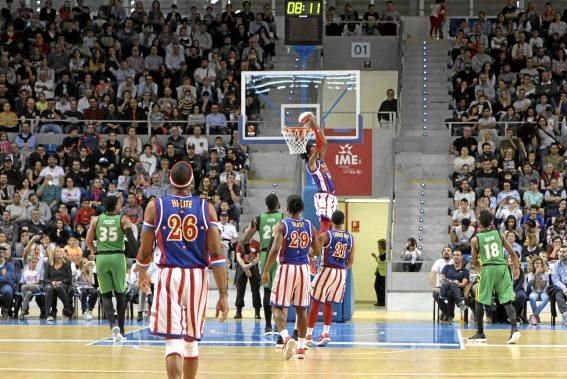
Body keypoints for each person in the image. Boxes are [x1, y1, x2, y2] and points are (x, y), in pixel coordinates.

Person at [136, 161, 229, 379]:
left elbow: (145, 251)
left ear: (170, 180)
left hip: (169, 275)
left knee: (173, 341)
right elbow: (217, 256)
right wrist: (223, 294)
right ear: (192, 181)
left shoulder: (154, 206)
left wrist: (142, 273)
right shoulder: (207, 208)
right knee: (191, 342)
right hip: (197, 276)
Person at [261, 195, 321, 360]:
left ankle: (286, 338)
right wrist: (305, 252)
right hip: (304, 269)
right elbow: (317, 252)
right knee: (302, 309)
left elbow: (274, 250)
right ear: (301, 209)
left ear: (287, 209)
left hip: (287, 268)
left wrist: (266, 271)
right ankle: (301, 348)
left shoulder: (283, 224)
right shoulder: (309, 226)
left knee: (277, 306)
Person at [86, 195, 138, 342]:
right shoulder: (123, 219)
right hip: (117, 257)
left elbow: (88, 241)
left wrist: (96, 252)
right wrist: (138, 255)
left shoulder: (96, 220)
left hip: (101, 258)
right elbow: (132, 241)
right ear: (116, 206)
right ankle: (121, 330)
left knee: (106, 294)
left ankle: (113, 325)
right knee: (121, 294)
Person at [468, 209, 521, 344]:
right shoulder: (500, 234)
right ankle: (514, 329)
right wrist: (516, 268)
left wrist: (481, 271)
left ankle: (480, 333)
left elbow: (474, 262)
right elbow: (513, 254)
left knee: (479, 300)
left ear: (479, 223)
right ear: (491, 222)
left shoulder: (475, 239)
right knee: (507, 301)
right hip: (503, 268)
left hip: (488, 268)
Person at [306, 210, 355, 347]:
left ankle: (309, 335)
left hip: (327, 269)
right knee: (329, 303)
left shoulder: (326, 234)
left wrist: (309, 256)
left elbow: (314, 251)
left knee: (315, 302)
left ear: (331, 221)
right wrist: (343, 270)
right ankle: (326, 333)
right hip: (341, 273)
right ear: (343, 221)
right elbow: (351, 260)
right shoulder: (350, 237)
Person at [241, 193, 285, 333]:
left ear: (266, 205)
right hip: (279, 255)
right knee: (279, 292)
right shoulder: (283, 218)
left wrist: (248, 253)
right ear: (278, 204)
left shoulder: (258, 219)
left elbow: (245, 239)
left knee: (266, 290)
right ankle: (280, 328)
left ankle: (268, 325)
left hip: (265, 254)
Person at [300, 114, 336, 234]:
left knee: (330, 227)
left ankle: (322, 249)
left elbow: (324, 143)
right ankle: (312, 250)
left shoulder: (320, 159)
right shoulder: (311, 162)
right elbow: (320, 144)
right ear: (308, 152)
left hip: (330, 195)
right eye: (312, 147)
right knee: (325, 227)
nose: (315, 147)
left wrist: (317, 126)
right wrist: (314, 124)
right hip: (323, 195)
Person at [234, 234, 261, 320]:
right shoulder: (240, 243)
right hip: (242, 266)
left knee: (256, 289)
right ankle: (238, 312)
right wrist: (245, 267)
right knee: (240, 289)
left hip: (253, 266)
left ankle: (257, 312)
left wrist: (250, 265)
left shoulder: (256, 243)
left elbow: (258, 258)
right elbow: (238, 257)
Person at [439, 250, 469, 324]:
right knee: (451, 285)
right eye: (454, 255)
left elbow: (463, 284)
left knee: (450, 293)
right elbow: (441, 279)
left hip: (457, 291)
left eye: (458, 255)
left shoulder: (465, 271)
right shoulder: (447, 267)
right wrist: (450, 282)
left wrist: (457, 283)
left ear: (461, 257)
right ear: (452, 256)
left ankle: (450, 317)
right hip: (444, 289)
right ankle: (459, 303)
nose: (456, 256)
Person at [372, 239, 387, 306]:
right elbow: (379, 260)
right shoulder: (383, 252)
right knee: (377, 286)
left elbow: (380, 260)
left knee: (381, 287)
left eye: (379, 245)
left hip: (383, 273)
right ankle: (380, 301)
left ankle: (382, 302)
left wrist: (376, 255)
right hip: (379, 272)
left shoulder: (386, 253)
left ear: (382, 245)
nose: (378, 246)